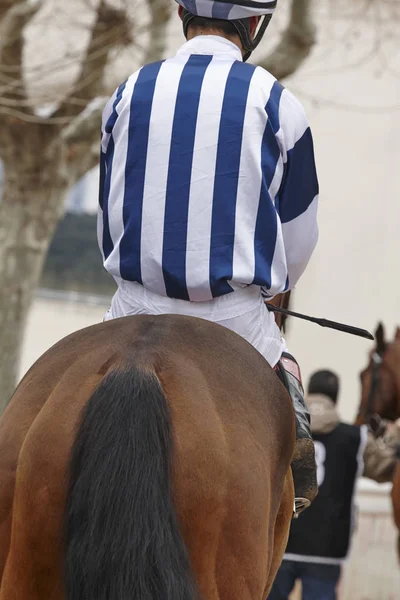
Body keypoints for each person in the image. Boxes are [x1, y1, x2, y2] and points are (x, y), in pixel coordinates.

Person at [97, 0, 319, 512]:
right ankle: (298, 492)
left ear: (180, 13)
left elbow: (110, 221)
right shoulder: (278, 102)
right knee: (290, 420)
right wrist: (270, 289)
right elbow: (298, 239)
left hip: (132, 305)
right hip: (235, 319)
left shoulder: (128, 90)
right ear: (257, 24)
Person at [268, 369, 400, 600]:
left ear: (306, 392)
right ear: (336, 398)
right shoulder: (355, 438)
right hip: (328, 548)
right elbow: (384, 468)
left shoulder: (281, 429)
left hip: (283, 542)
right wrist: (394, 436)